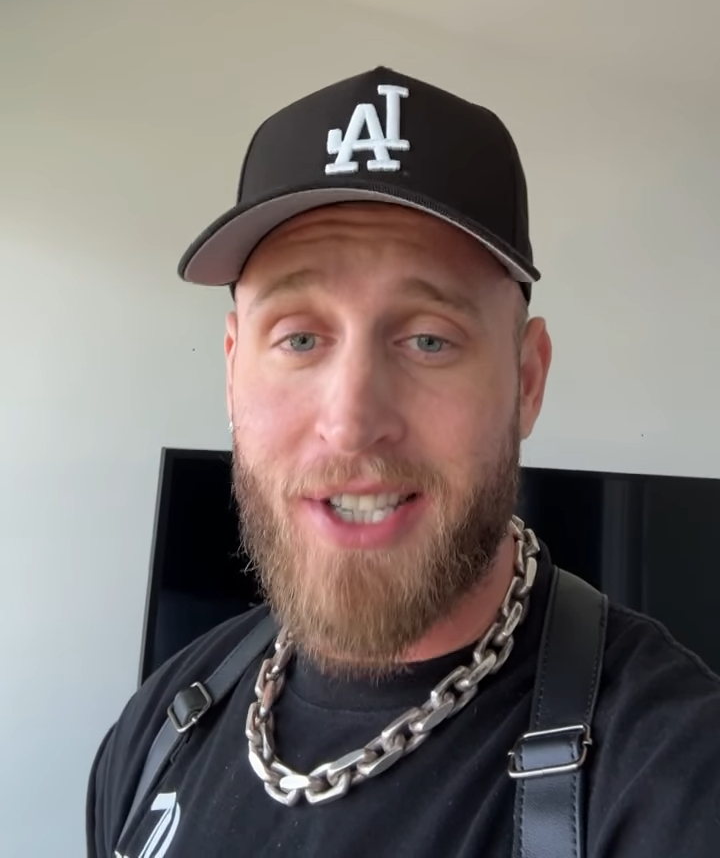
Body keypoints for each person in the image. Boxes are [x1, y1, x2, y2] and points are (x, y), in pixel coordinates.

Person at [87, 66, 720, 858]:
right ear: (231, 367)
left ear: (527, 381)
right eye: (299, 337)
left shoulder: (673, 781)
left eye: (428, 339)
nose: (351, 425)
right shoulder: (154, 734)